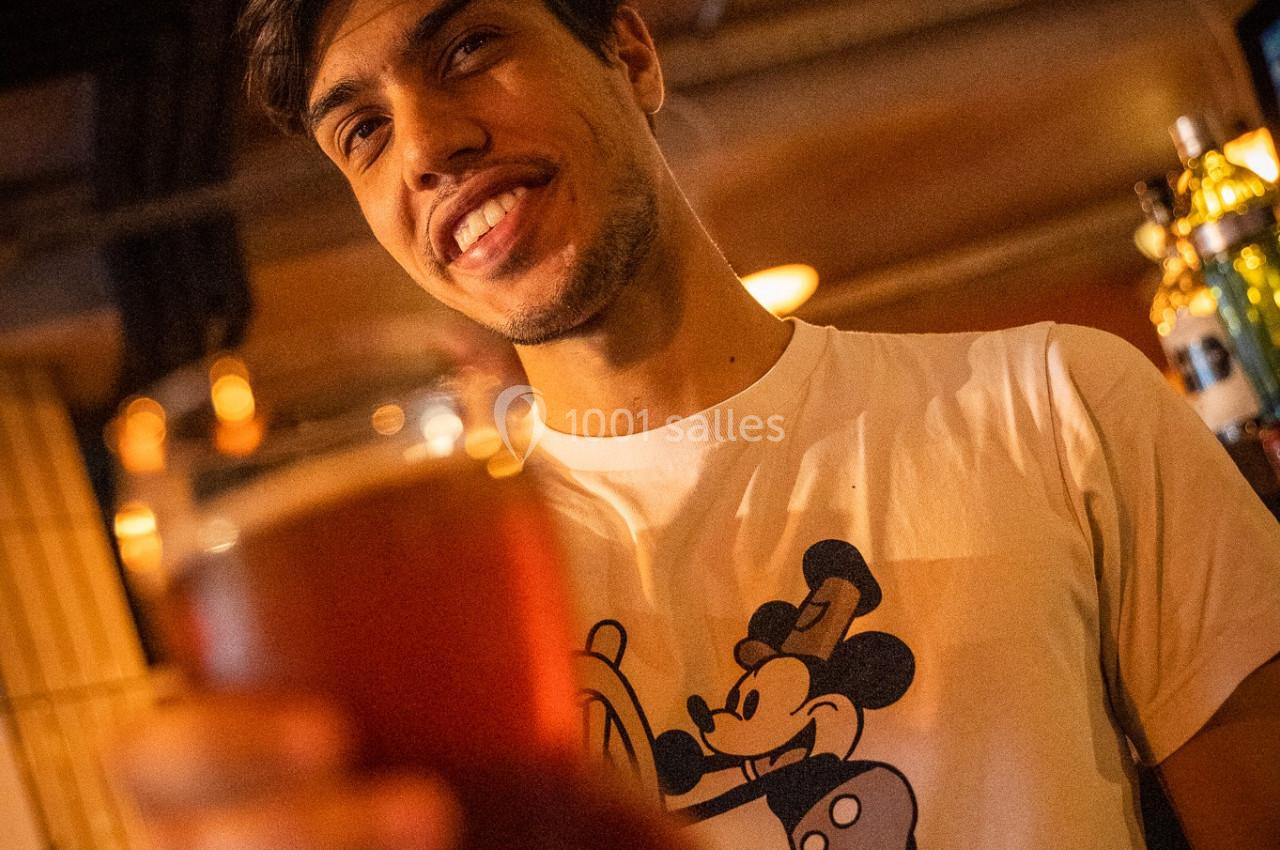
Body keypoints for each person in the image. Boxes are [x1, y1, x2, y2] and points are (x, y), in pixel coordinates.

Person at [112, 0, 1280, 848]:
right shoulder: (452, 613)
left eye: (469, 46)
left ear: (629, 50)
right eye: (361, 132)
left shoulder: (1059, 403)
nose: (425, 146)